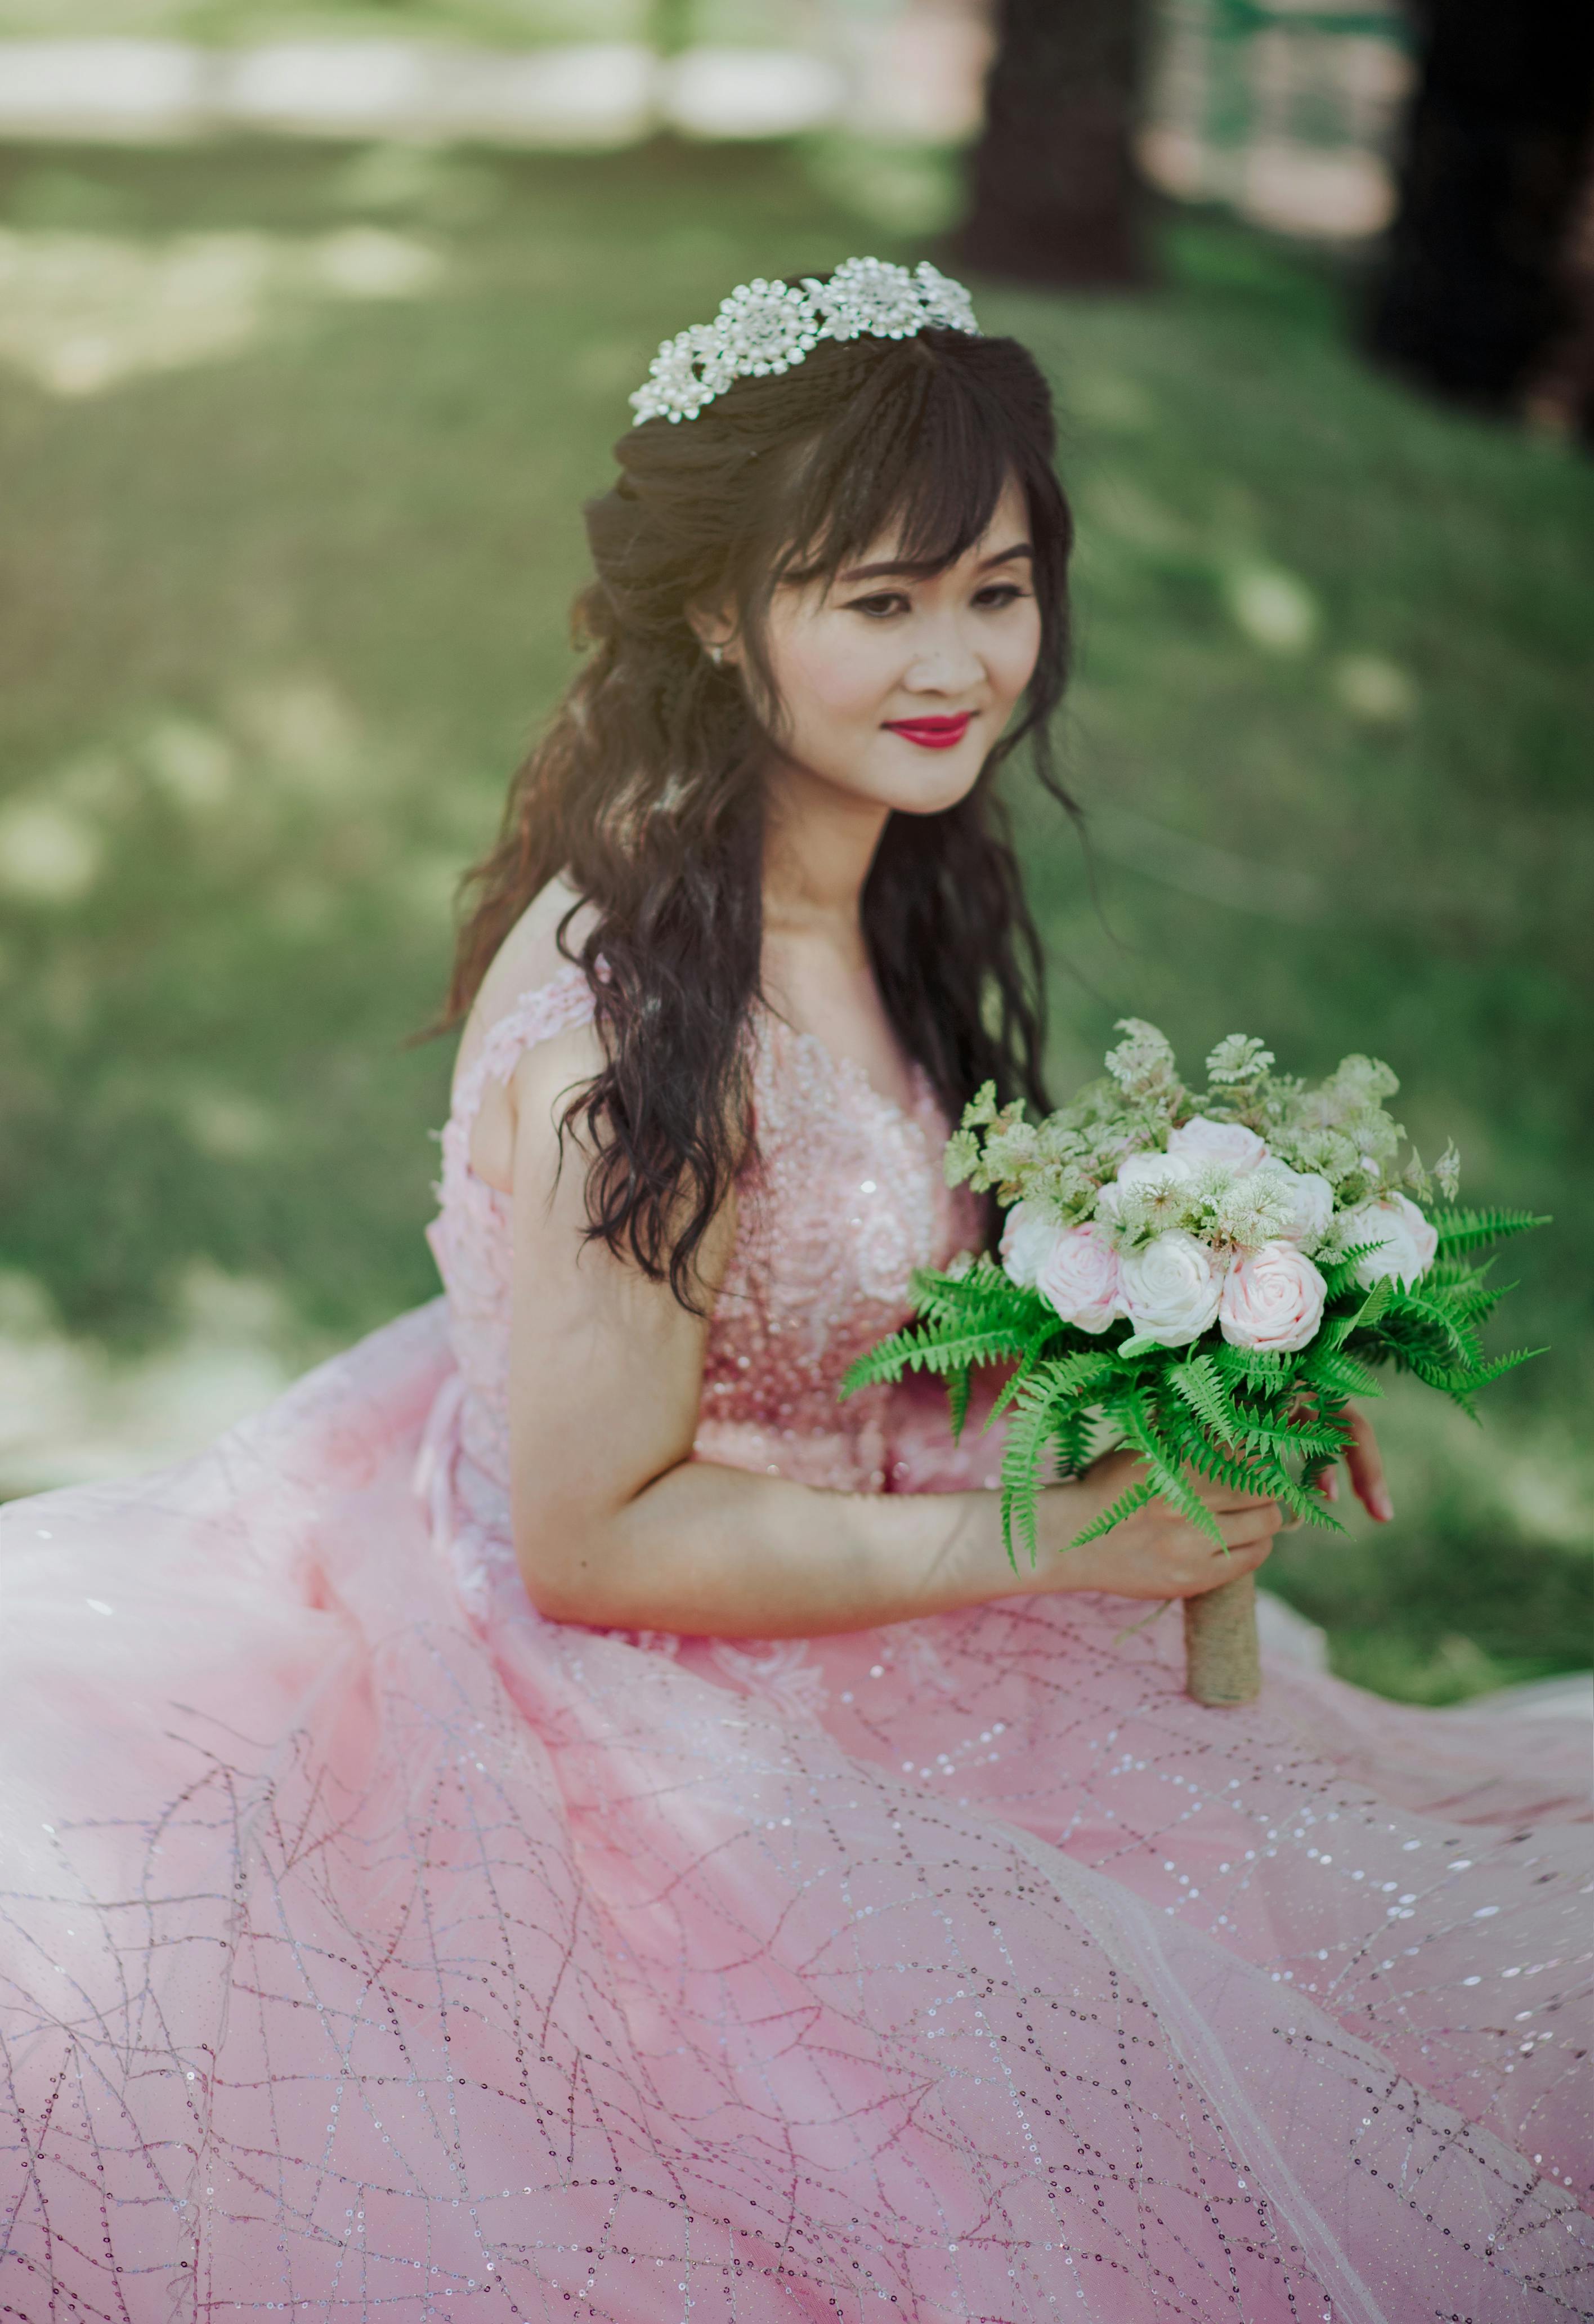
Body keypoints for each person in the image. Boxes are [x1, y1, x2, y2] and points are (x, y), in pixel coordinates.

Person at [1, 258, 1588, 2322]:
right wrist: (1052, 1532)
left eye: (997, 589)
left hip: (849, 1553)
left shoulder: (873, 867)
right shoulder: (637, 1017)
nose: (960, 663)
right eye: (881, 600)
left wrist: (1165, 1371)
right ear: (711, 611)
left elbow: (884, 1325)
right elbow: (590, 1534)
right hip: (646, 1689)